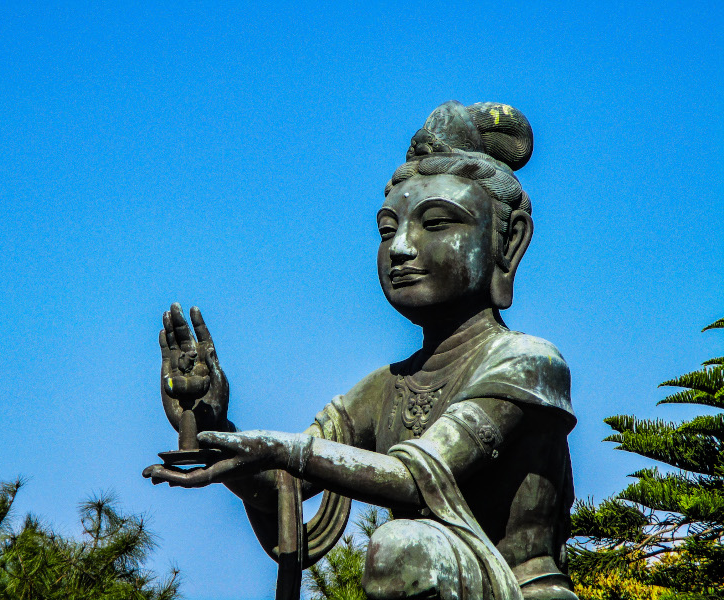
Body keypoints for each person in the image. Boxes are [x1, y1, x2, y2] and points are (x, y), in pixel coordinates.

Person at [144, 100, 578, 600]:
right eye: (388, 229)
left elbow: (417, 479)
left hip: (518, 591)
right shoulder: (383, 389)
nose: (400, 248)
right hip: (424, 575)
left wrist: (287, 450)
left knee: (401, 546)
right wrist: (213, 427)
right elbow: (286, 483)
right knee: (403, 547)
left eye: (435, 223)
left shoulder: (528, 362)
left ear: (509, 244)